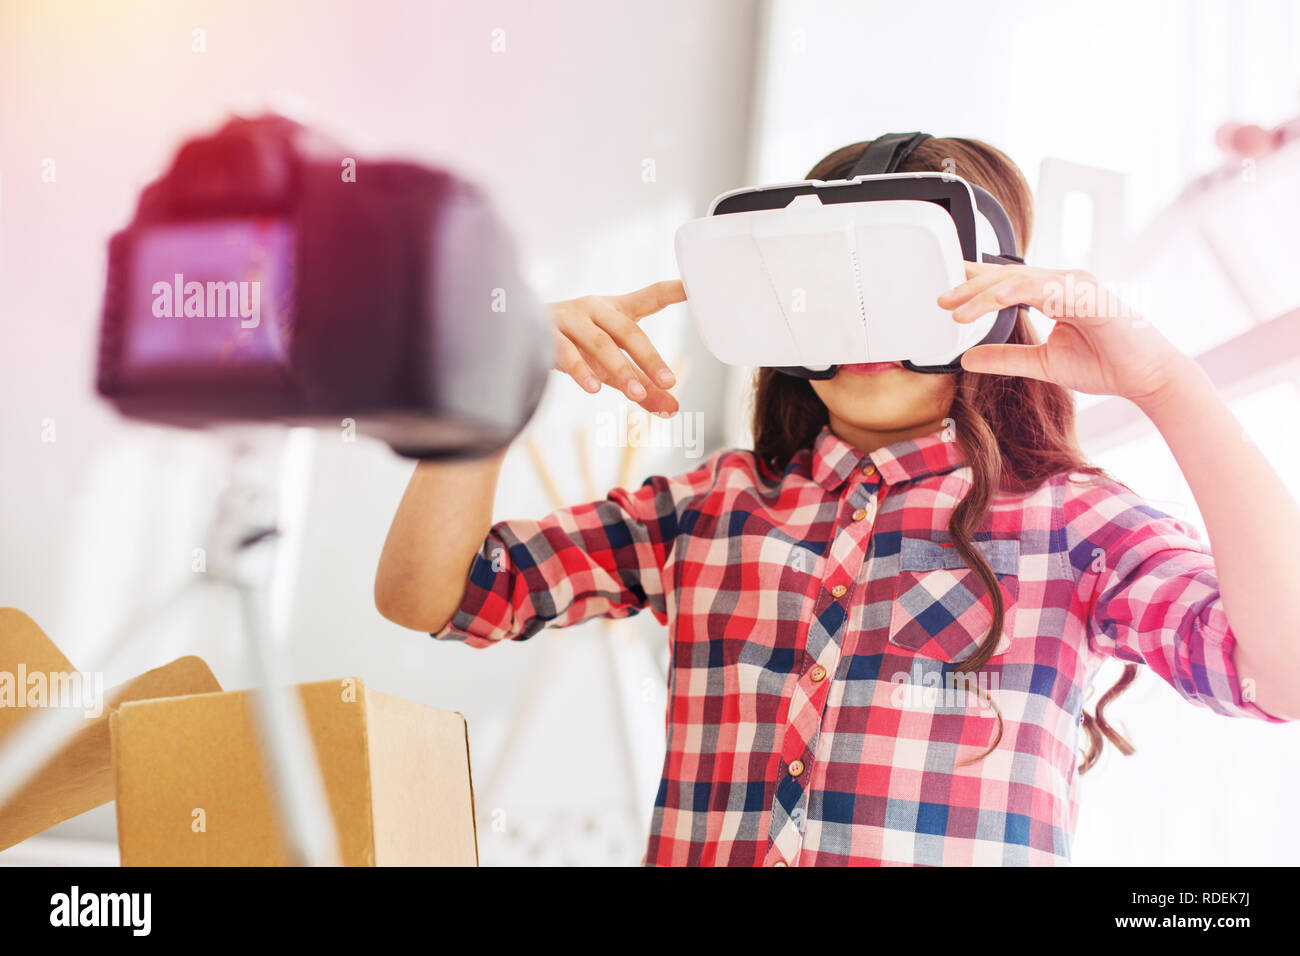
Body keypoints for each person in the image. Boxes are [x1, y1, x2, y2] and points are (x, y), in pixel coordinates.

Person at [375, 135, 1297, 866]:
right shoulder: (711, 509)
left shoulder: (1072, 522)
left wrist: (1168, 385)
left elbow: (1283, 675)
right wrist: (489, 381)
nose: (858, 324)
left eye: (894, 281)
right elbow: (435, 594)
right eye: (821, 286)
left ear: (994, 295)